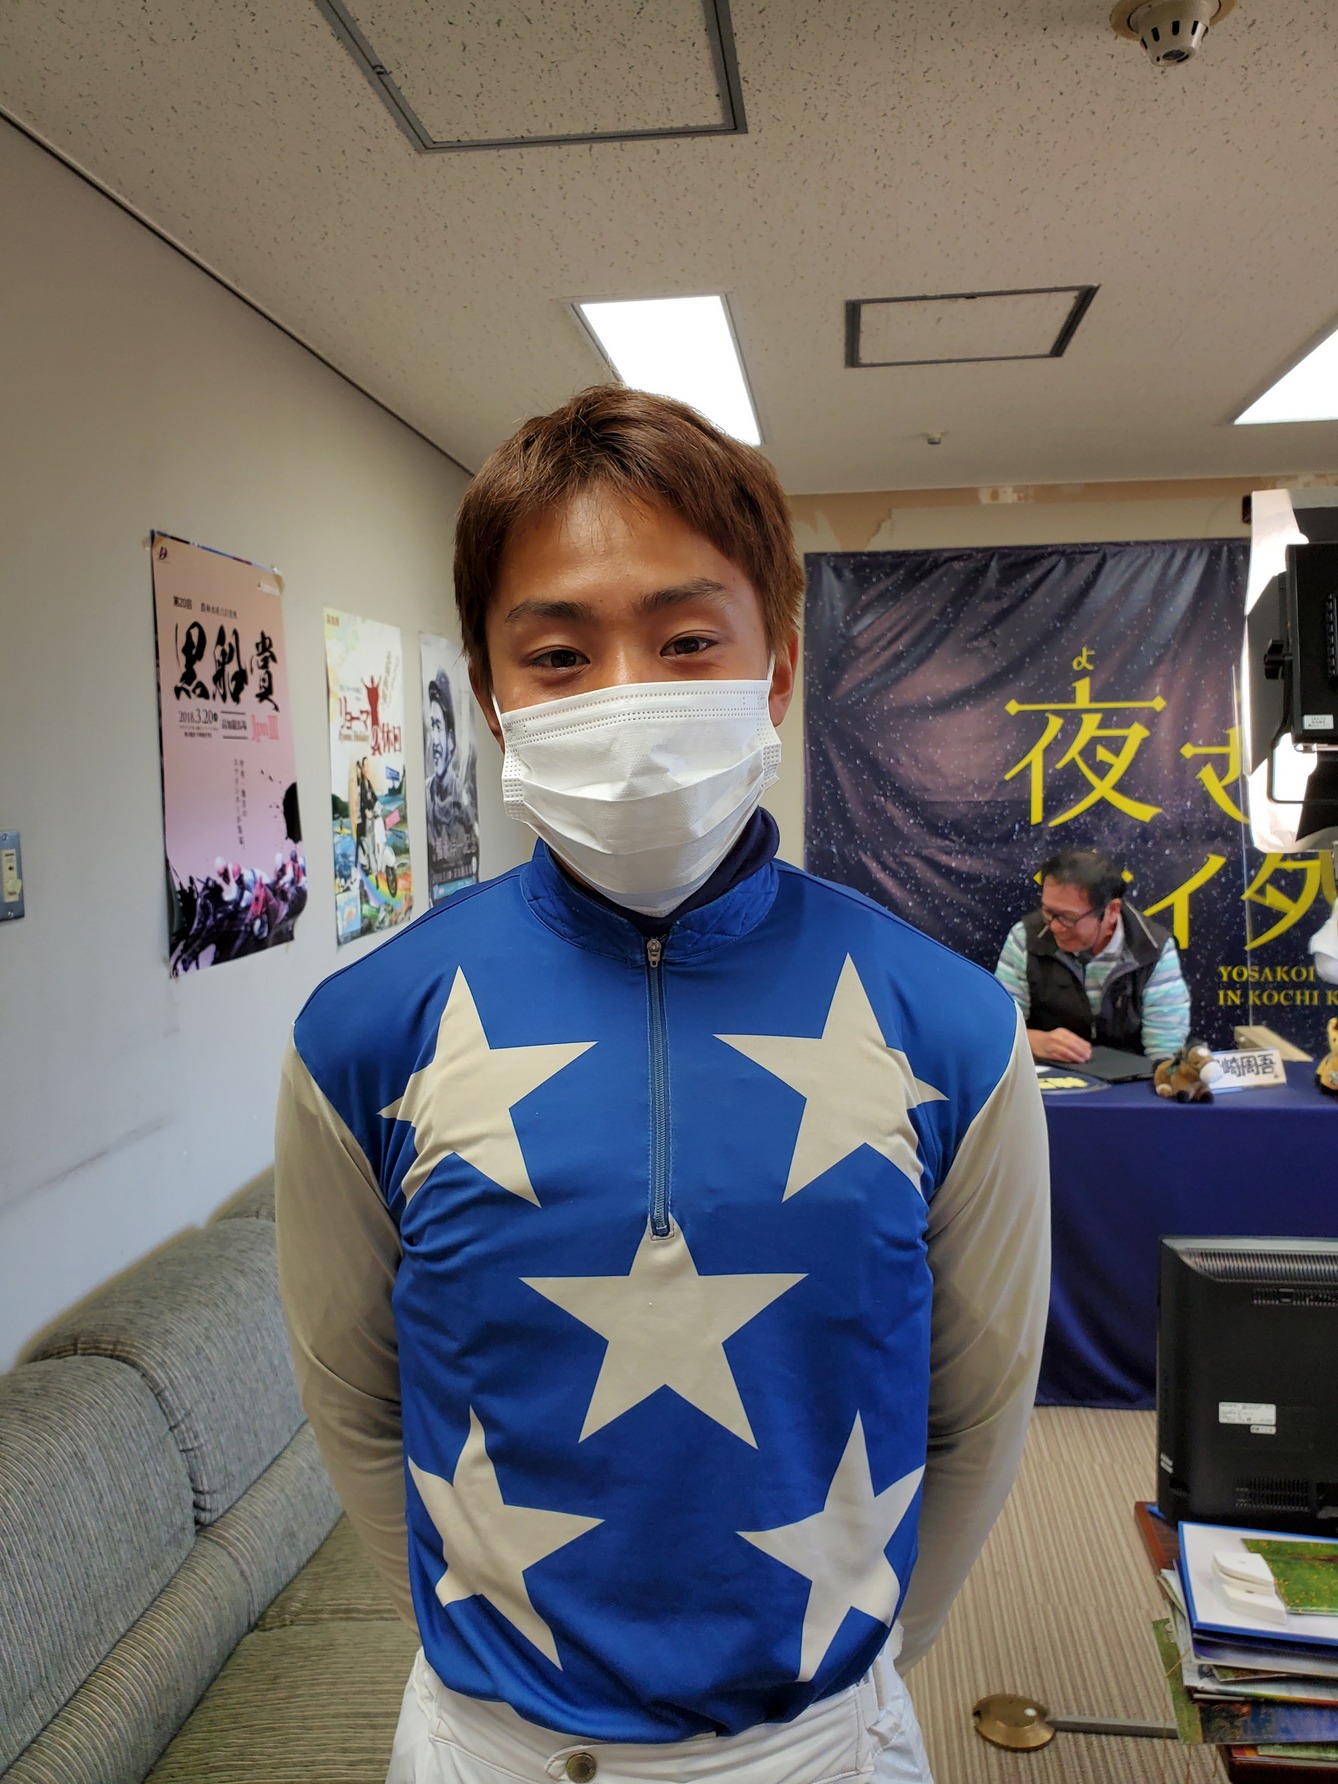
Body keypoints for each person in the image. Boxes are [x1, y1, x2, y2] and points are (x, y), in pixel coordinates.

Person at [275, 386, 1049, 1784]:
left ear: (778, 668)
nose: (626, 698)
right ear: (490, 693)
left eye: (687, 640)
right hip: (490, 1747)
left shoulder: (951, 1028)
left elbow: (977, 1410)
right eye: (558, 654)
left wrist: (858, 1673)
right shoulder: (365, 1032)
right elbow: (356, 1402)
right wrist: (496, 1668)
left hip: (825, 1742)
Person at [994, 846, 1191, 1064]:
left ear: (1112, 911)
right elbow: (997, 1030)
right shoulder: (1025, 938)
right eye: (1048, 911)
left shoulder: (1152, 950)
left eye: (1068, 917)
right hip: (1046, 1076)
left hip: (1129, 1078)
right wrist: (1031, 1041)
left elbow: (1164, 1054)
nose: (1055, 926)